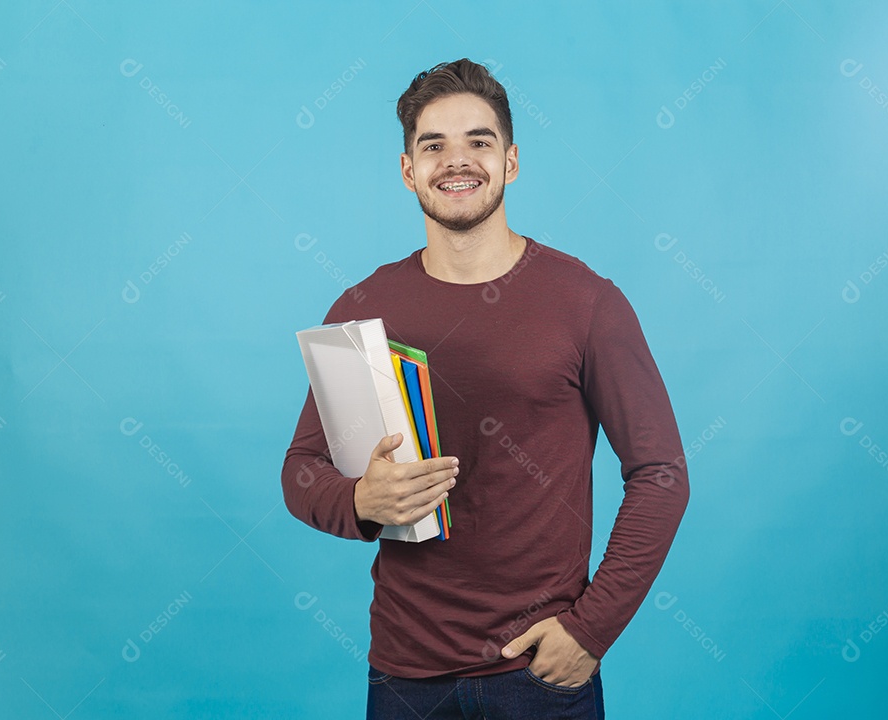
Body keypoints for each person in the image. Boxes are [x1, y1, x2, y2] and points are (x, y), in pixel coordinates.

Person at [281, 58, 689, 719]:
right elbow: (301, 470)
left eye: (479, 140)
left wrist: (591, 630)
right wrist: (359, 498)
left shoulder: (585, 302)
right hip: (405, 679)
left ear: (513, 161)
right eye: (433, 145)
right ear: (408, 170)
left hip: (540, 677)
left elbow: (661, 473)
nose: (456, 161)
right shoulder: (363, 307)